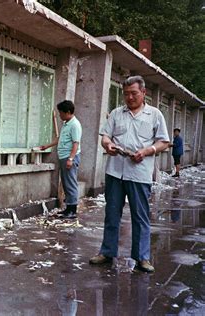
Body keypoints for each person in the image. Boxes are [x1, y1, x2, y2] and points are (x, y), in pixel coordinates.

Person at [89, 76, 170, 273]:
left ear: (144, 93)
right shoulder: (117, 113)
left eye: (134, 93)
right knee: (111, 214)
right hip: (115, 172)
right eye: (126, 94)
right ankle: (107, 252)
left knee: (140, 216)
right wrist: (108, 145)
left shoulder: (155, 115)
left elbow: (164, 142)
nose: (130, 97)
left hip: (139, 174)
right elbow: (105, 136)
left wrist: (146, 151)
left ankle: (142, 257)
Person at [37, 100, 82, 219]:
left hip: (69, 157)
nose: (60, 115)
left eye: (61, 113)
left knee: (70, 183)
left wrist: (71, 159)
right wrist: (47, 146)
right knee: (66, 183)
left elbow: (76, 144)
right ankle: (68, 208)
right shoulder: (66, 124)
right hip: (64, 157)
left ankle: (72, 210)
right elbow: (60, 139)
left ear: (68, 112)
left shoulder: (74, 125)